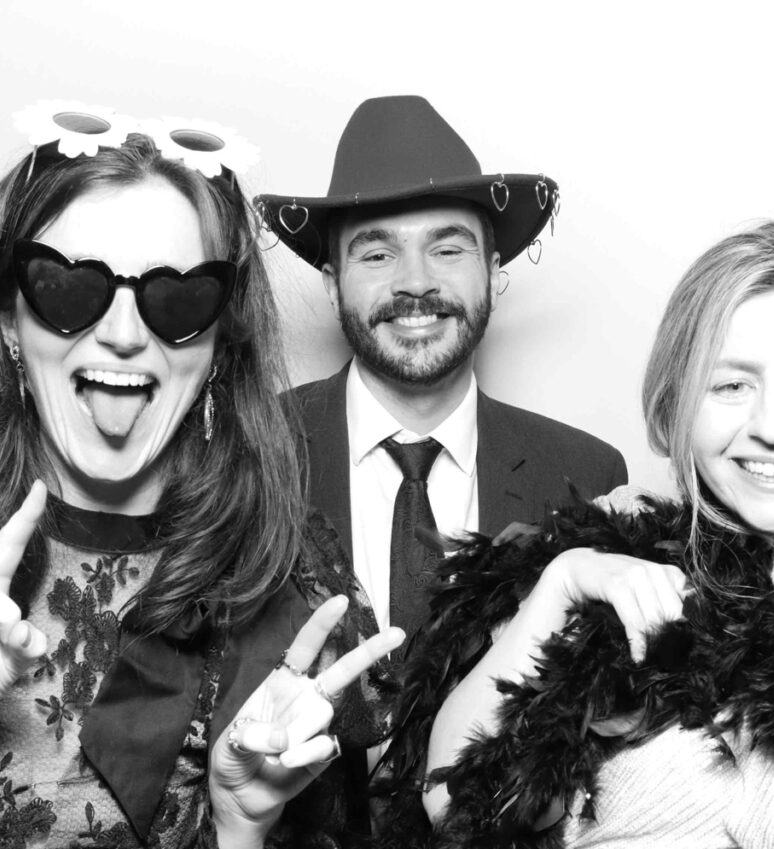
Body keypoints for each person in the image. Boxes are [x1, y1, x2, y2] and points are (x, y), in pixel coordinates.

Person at [0, 103, 403, 849]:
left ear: (218, 342)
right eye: (70, 287)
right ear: (10, 318)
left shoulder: (289, 574)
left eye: (176, 298)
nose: (123, 331)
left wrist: (241, 825)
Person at [381, 221, 774, 847]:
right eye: (731, 385)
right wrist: (561, 585)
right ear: (677, 410)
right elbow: (454, 805)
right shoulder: (624, 570)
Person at [255, 94, 626, 834]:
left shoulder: (585, 475)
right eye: (377, 251)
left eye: (448, 248)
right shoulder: (248, 451)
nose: (415, 281)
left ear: (493, 270)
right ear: (331, 281)